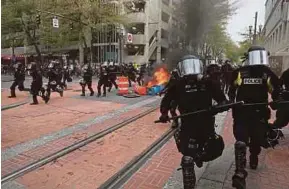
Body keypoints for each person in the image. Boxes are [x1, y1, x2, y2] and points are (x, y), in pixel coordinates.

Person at [158, 55, 228, 189]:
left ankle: (200, 156)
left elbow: (221, 98)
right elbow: (166, 100)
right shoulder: (178, 85)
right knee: (187, 159)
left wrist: (222, 105)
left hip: (206, 124)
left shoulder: (208, 83)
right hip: (188, 125)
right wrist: (164, 113)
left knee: (212, 149)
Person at [228, 46, 282, 189]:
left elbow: (276, 88)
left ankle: (254, 155)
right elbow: (231, 89)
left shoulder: (267, 73)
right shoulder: (240, 73)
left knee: (257, 139)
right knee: (240, 141)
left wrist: (277, 98)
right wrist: (232, 101)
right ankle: (239, 173)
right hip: (242, 113)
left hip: (259, 114)